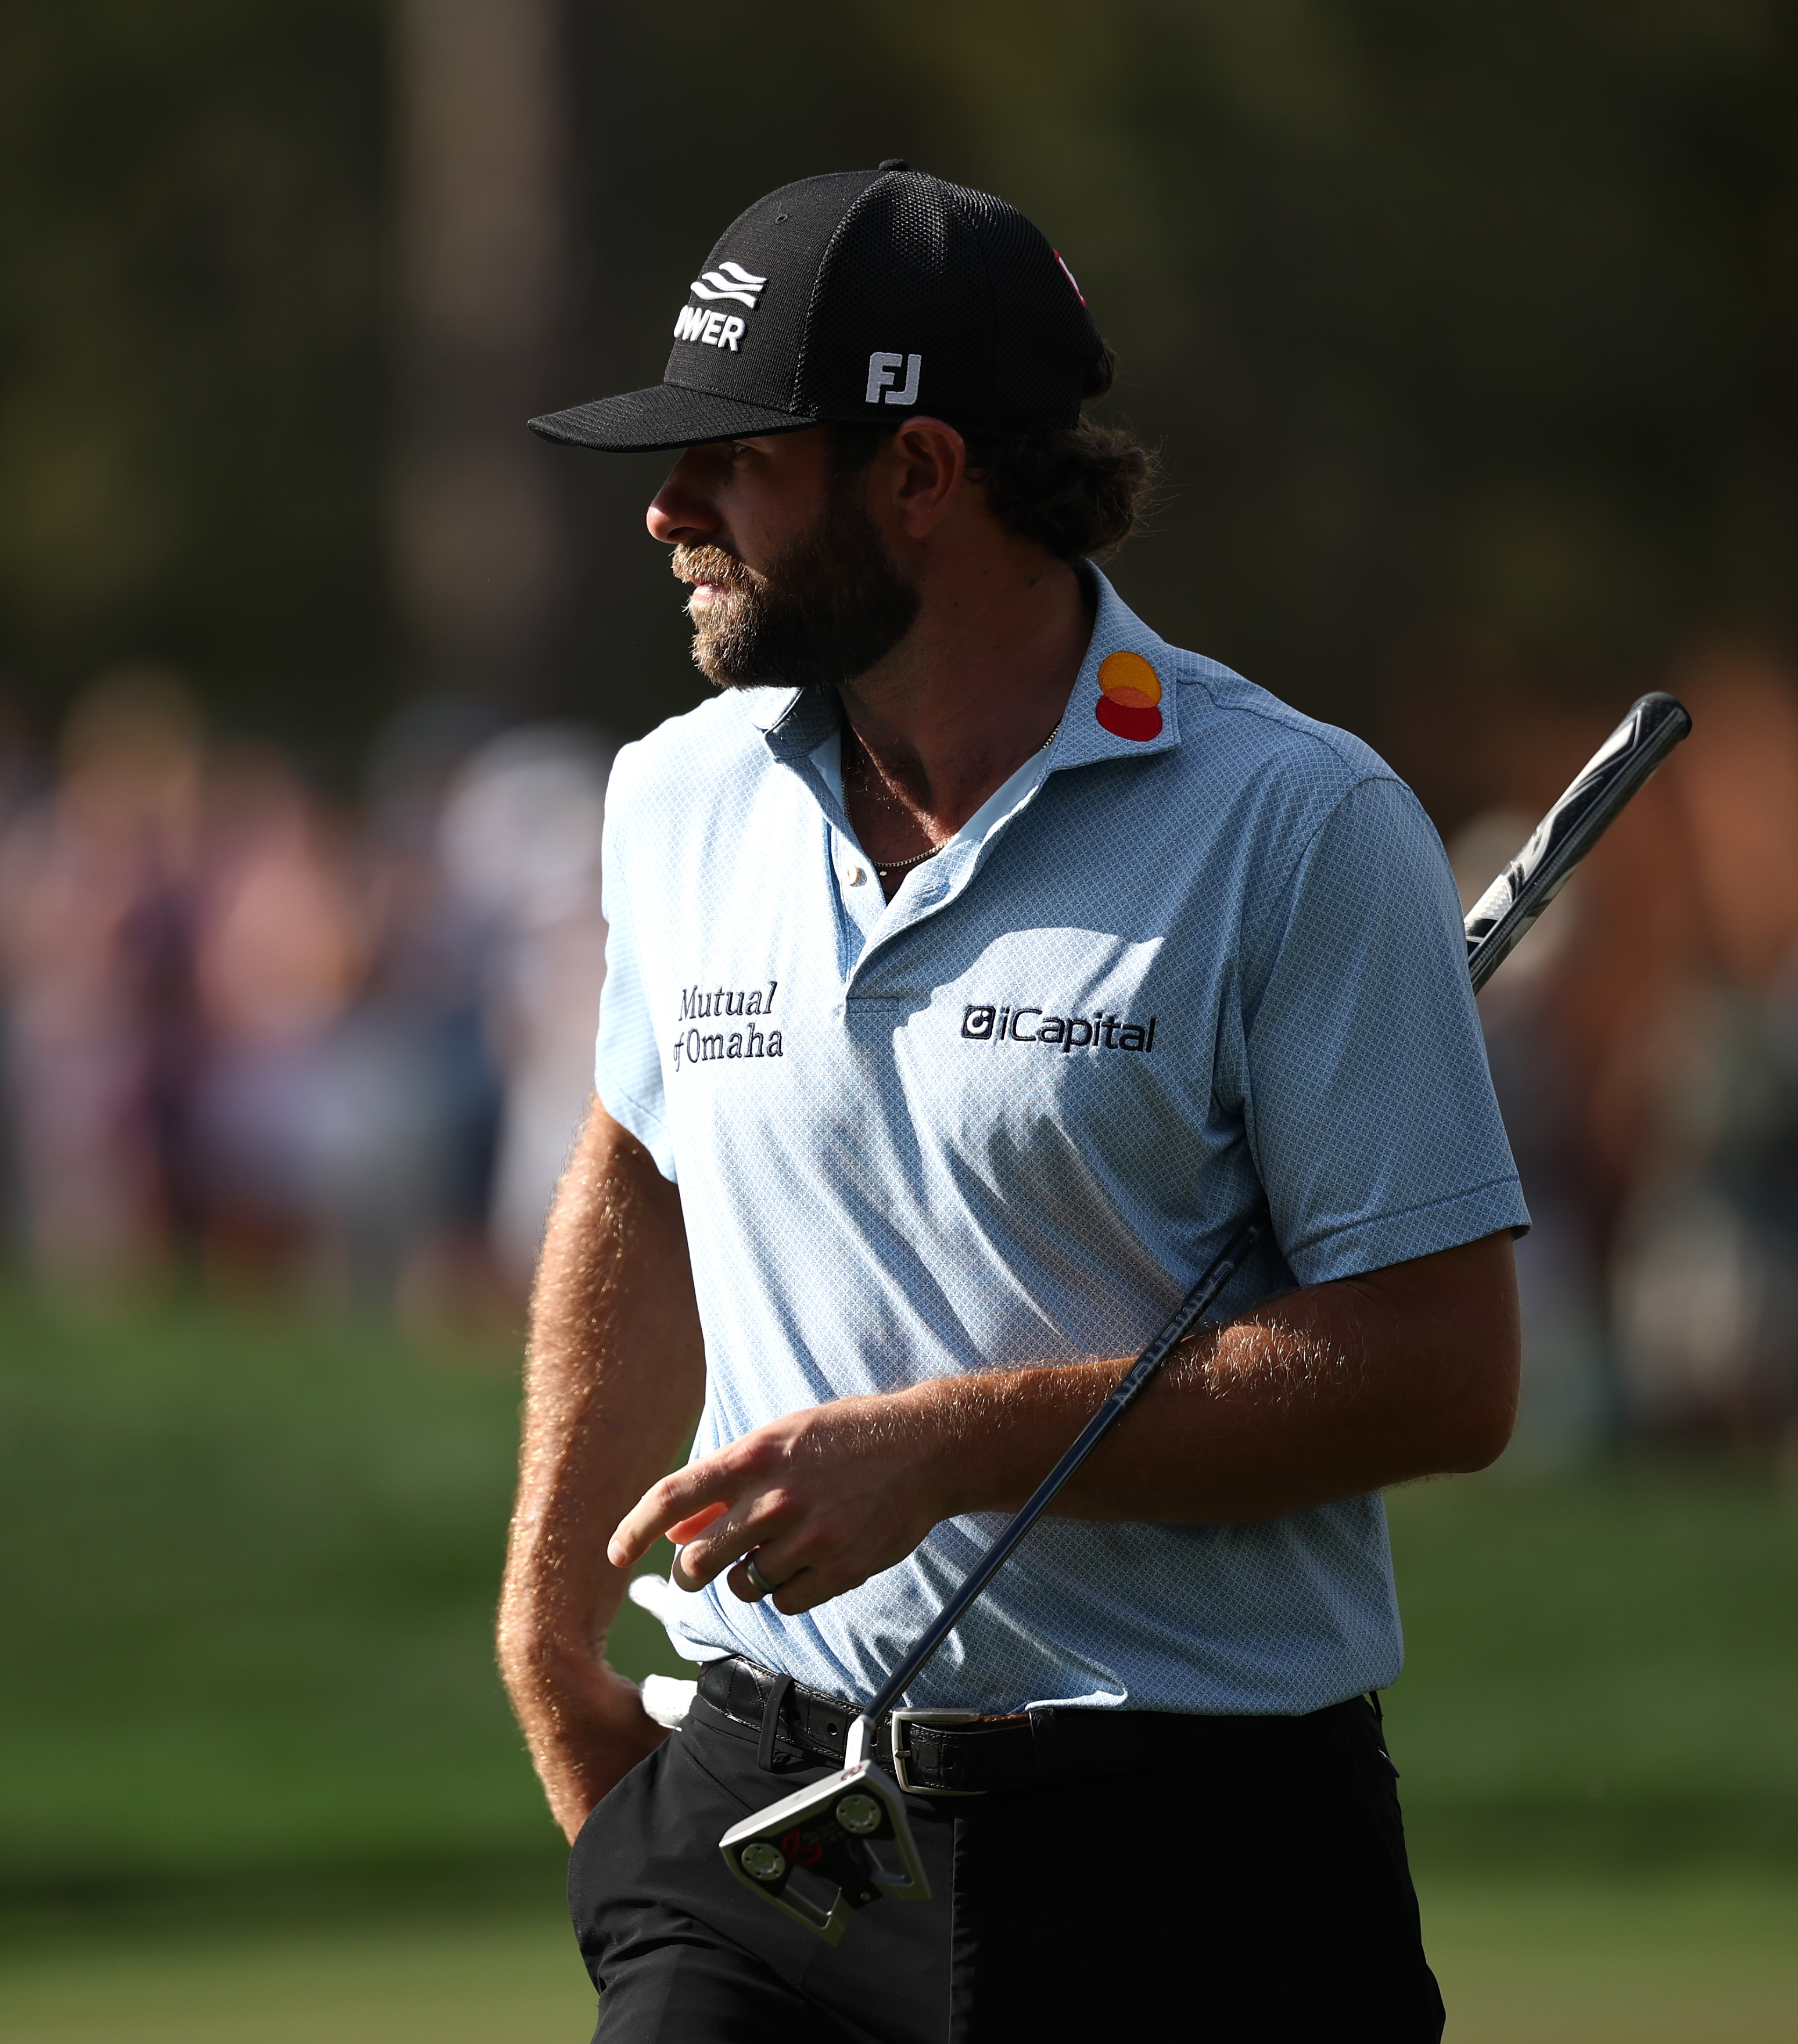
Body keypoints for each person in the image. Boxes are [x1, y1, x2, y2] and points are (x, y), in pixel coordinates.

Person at [500, 164, 1527, 2040]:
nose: (666, 512)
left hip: (1197, 1861)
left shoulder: (1297, 826)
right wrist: (541, 1621)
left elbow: (1445, 1371)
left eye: (734, 462)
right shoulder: (678, 797)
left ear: (921, 473)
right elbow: (640, 1171)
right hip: (766, 1839)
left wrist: (951, 1446)